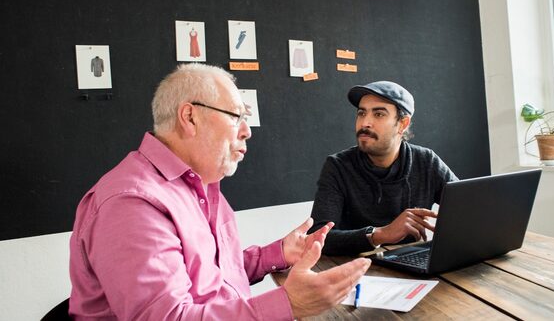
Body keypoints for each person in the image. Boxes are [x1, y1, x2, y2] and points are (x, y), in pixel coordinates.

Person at [68, 64, 370, 320]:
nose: (247, 130)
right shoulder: (132, 204)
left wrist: (276, 254)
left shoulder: (202, 184)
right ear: (189, 117)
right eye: (236, 115)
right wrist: (289, 304)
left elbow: (213, 272)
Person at [310, 81, 458, 256]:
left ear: (402, 124)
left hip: (411, 262)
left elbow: (467, 209)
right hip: (355, 269)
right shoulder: (338, 166)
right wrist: (380, 234)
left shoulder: (426, 161)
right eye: (361, 113)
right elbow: (318, 238)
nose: (365, 123)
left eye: (379, 114)